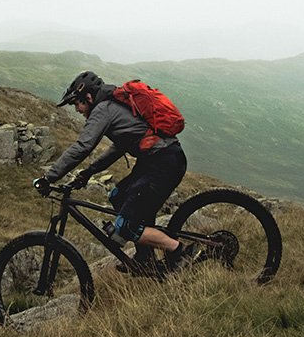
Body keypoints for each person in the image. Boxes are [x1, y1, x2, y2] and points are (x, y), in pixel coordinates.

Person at [36, 71, 193, 273]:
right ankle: (146, 259)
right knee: (118, 196)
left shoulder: (103, 109)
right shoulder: (112, 106)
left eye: (77, 103)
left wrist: (49, 177)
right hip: (157, 160)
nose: (76, 109)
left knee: (125, 226)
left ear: (89, 97)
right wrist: (89, 171)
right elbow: (118, 147)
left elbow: (84, 146)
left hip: (163, 162)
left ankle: (182, 252)